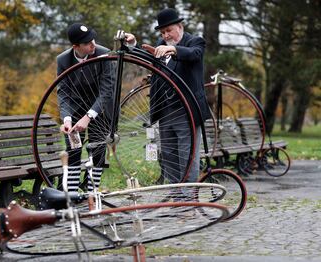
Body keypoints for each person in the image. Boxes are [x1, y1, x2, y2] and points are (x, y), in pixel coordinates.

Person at [125, 8, 211, 183]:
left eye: (169, 30)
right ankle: (176, 198)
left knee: (187, 158)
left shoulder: (195, 42)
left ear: (180, 26)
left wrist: (172, 49)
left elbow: (194, 54)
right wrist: (132, 45)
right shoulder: (160, 45)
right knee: (169, 157)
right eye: (162, 32)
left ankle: (189, 201)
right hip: (164, 112)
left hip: (187, 112)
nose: (165, 35)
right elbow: (145, 58)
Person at [57, 23, 114, 193]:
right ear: (76, 46)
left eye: (93, 39)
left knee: (98, 151)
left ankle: (92, 192)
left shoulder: (103, 54)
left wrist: (89, 116)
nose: (93, 44)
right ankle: (72, 194)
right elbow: (63, 92)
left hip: (100, 108)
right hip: (75, 109)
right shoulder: (63, 60)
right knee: (73, 150)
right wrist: (67, 119)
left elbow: (107, 90)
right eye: (87, 43)